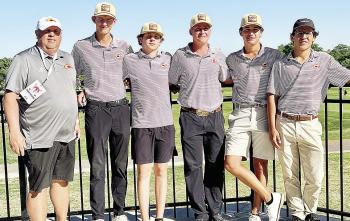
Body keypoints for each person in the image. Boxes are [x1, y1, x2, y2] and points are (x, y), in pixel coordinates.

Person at [267, 18, 350, 221]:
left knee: (315, 174)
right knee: (289, 174)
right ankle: (296, 212)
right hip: (284, 123)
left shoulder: (325, 60)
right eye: (300, 33)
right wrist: (272, 128)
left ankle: (311, 210)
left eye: (308, 33)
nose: (303, 36)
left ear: (314, 37)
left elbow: (347, 77)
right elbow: (271, 95)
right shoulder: (280, 64)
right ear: (292, 37)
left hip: (310, 124)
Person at [3, 16, 79, 221]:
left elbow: (70, 91)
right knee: (39, 187)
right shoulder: (24, 59)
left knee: (62, 182)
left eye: (56, 31)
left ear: (61, 35)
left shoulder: (68, 59)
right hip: (38, 136)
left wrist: (76, 121)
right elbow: (10, 97)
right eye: (47, 31)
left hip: (66, 134)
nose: (52, 34)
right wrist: (15, 132)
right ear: (37, 34)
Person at [71, 2, 132, 221]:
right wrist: (79, 89)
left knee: (120, 164)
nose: (104, 22)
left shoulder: (125, 46)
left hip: (120, 108)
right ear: (93, 20)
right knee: (97, 165)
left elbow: (132, 74)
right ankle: (97, 215)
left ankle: (119, 212)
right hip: (96, 109)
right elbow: (73, 74)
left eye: (108, 19)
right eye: (100, 18)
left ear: (114, 22)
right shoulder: (80, 47)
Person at [224, 13, 284, 221]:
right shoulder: (231, 59)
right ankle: (271, 198)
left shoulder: (275, 55)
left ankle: (255, 213)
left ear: (261, 32)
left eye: (255, 29)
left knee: (260, 165)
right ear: (241, 33)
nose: (251, 33)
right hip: (240, 112)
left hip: (263, 113)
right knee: (231, 163)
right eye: (247, 29)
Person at [169, 13, 227, 221]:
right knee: (193, 166)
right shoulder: (180, 55)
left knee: (215, 164)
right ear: (191, 31)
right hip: (190, 116)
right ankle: (200, 211)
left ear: (210, 31)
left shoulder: (218, 53)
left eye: (206, 28)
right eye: (198, 28)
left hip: (215, 115)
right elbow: (172, 80)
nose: (202, 31)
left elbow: (225, 77)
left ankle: (215, 209)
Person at [122, 22, 175, 221]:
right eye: (148, 35)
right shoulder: (129, 60)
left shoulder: (169, 59)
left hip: (165, 124)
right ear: (140, 39)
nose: (152, 38)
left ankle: (159, 217)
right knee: (143, 173)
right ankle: (145, 218)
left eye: (156, 36)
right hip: (141, 124)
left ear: (161, 40)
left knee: (161, 171)